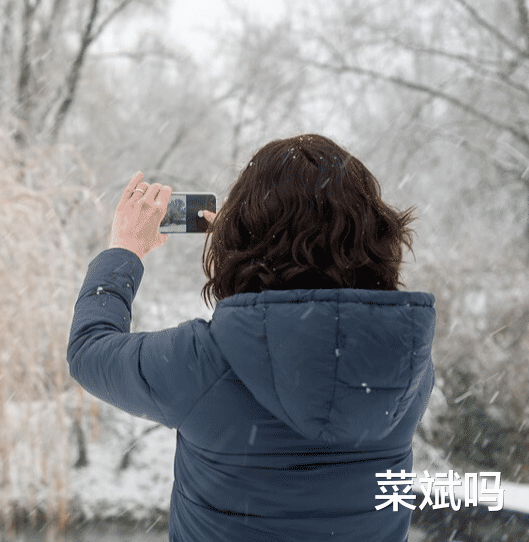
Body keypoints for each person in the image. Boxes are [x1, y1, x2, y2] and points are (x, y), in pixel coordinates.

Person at [67, 134, 435, 541]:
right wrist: (259, 245)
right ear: (378, 234)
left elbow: (89, 350)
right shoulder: (406, 365)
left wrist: (125, 251)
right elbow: (324, 323)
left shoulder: (201, 364)